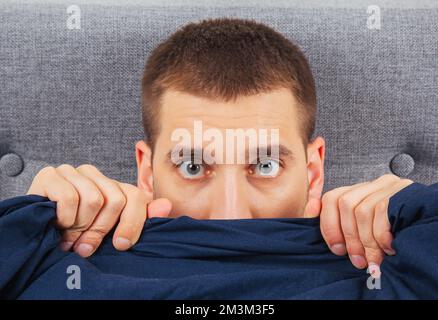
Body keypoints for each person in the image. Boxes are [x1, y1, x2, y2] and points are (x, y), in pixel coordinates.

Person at [26, 17, 414, 272]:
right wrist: (31, 227)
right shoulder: (69, 264)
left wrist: (415, 212)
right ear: (147, 173)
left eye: (266, 166)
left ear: (313, 174)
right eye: (193, 167)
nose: (231, 214)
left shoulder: (383, 267)